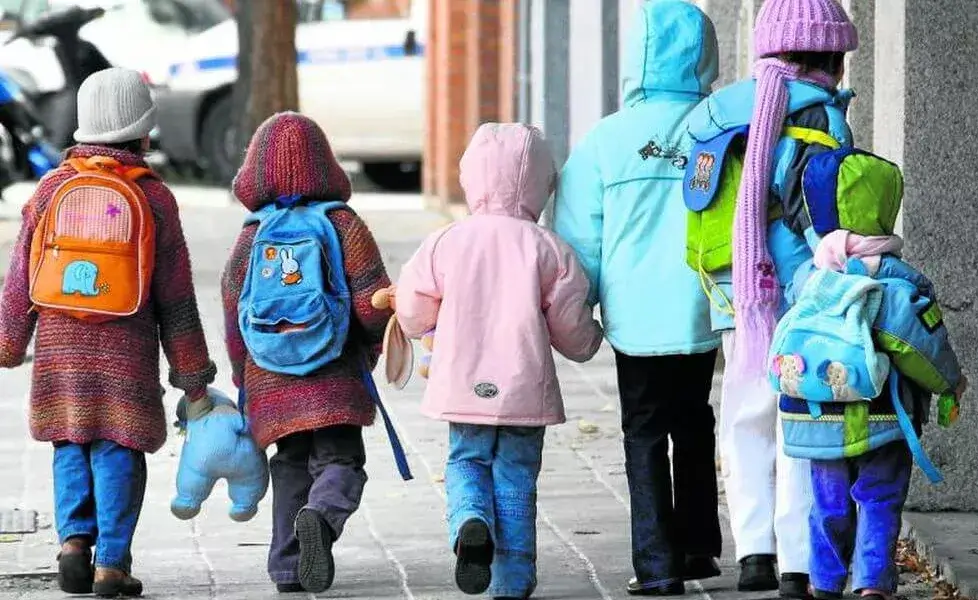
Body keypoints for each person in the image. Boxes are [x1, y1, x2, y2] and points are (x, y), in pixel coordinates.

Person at [0, 67, 216, 597]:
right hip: (127, 350)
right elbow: (177, 297)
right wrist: (192, 375)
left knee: (69, 441)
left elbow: (20, 275)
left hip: (58, 348)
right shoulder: (155, 199)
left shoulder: (52, 188)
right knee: (119, 447)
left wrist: (8, 341)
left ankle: (74, 543)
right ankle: (112, 564)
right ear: (144, 132)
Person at [680, 0, 859, 596]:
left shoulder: (717, 111)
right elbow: (831, 214)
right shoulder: (822, 114)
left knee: (744, 416)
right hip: (801, 296)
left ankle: (753, 550)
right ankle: (796, 560)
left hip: (733, 290)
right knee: (801, 418)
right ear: (827, 56)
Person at [553, 0, 722, 595]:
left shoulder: (603, 141)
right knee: (695, 419)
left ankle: (656, 565)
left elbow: (581, 241)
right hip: (700, 305)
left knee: (644, 430)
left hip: (634, 317)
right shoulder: (719, 128)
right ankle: (700, 544)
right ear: (705, 56)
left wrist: (580, 311)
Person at [394, 122, 603, 600]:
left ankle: (470, 519)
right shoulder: (549, 248)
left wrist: (420, 326)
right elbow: (571, 323)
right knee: (515, 474)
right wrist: (590, 341)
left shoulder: (447, 241)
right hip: (523, 389)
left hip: (461, 386)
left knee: (466, 459)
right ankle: (511, 581)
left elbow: (412, 305)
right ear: (542, 185)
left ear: (471, 178)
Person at [768, 148, 966, 600]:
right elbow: (922, 347)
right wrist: (951, 385)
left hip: (816, 414)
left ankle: (825, 581)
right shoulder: (900, 281)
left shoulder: (806, 278)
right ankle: (873, 582)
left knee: (829, 502)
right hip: (883, 417)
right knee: (878, 497)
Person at [220, 112, 393, 594]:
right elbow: (370, 298)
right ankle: (321, 516)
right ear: (326, 165)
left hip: (271, 377)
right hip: (333, 370)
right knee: (340, 462)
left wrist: (244, 374)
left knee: (290, 463)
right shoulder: (342, 223)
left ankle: (287, 568)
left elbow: (233, 301)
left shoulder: (252, 232)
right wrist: (375, 342)